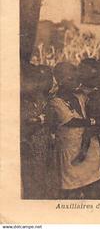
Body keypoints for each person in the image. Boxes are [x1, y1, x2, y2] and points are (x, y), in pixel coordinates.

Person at [47, 62, 100, 199]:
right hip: (71, 152)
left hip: (88, 147)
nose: (75, 81)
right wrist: (91, 121)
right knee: (72, 188)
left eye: (76, 78)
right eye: (70, 79)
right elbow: (70, 121)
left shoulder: (80, 97)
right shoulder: (55, 102)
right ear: (60, 80)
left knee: (93, 184)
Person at [21, 64, 58, 199]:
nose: (39, 84)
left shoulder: (44, 99)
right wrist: (39, 120)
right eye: (37, 80)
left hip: (46, 145)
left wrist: (38, 120)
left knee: (47, 179)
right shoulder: (22, 102)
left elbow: (51, 119)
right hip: (32, 147)